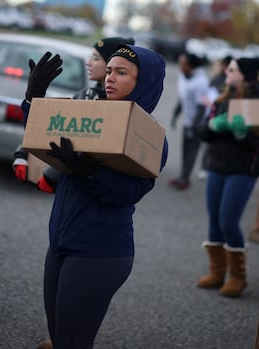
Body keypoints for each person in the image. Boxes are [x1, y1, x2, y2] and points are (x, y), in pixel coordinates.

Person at [21, 45, 168, 349]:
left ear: (143, 81)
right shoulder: (93, 113)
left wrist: (90, 172)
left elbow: (130, 192)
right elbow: (42, 133)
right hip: (61, 242)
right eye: (109, 71)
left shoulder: (151, 138)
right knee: (59, 334)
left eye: (122, 72)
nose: (110, 78)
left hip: (100, 253)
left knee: (73, 341)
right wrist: (32, 98)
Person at [13, 37, 135, 193]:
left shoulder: (126, 112)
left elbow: (125, 186)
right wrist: (33, 97)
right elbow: (53, 130)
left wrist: (55, 174)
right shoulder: (84, 95)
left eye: (96, 58)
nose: (88, 62)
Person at [196, 57, 259, 297]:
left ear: (245, 75)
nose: (226, 71)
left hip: (242, 170)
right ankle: (217, 272)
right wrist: (213, 125)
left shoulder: (258, 102)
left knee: (228, 221)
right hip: (217, 165)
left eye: (233, 68)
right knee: (214, 219)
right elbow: (203, 133)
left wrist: (243, 135)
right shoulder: (221, 98)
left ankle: (238, 276)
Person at [169, 52, 217, 190]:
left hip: (198, 123)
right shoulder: (183, 77)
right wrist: (175, 115)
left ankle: (185, 179)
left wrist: (194, 126)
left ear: (191, 66)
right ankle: (182, 176)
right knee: (184, 149)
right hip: (187, 121)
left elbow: (202, 107)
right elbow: (182, 98)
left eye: (183, 64)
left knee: (192, 151)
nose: (180, 66)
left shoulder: (200, 82)